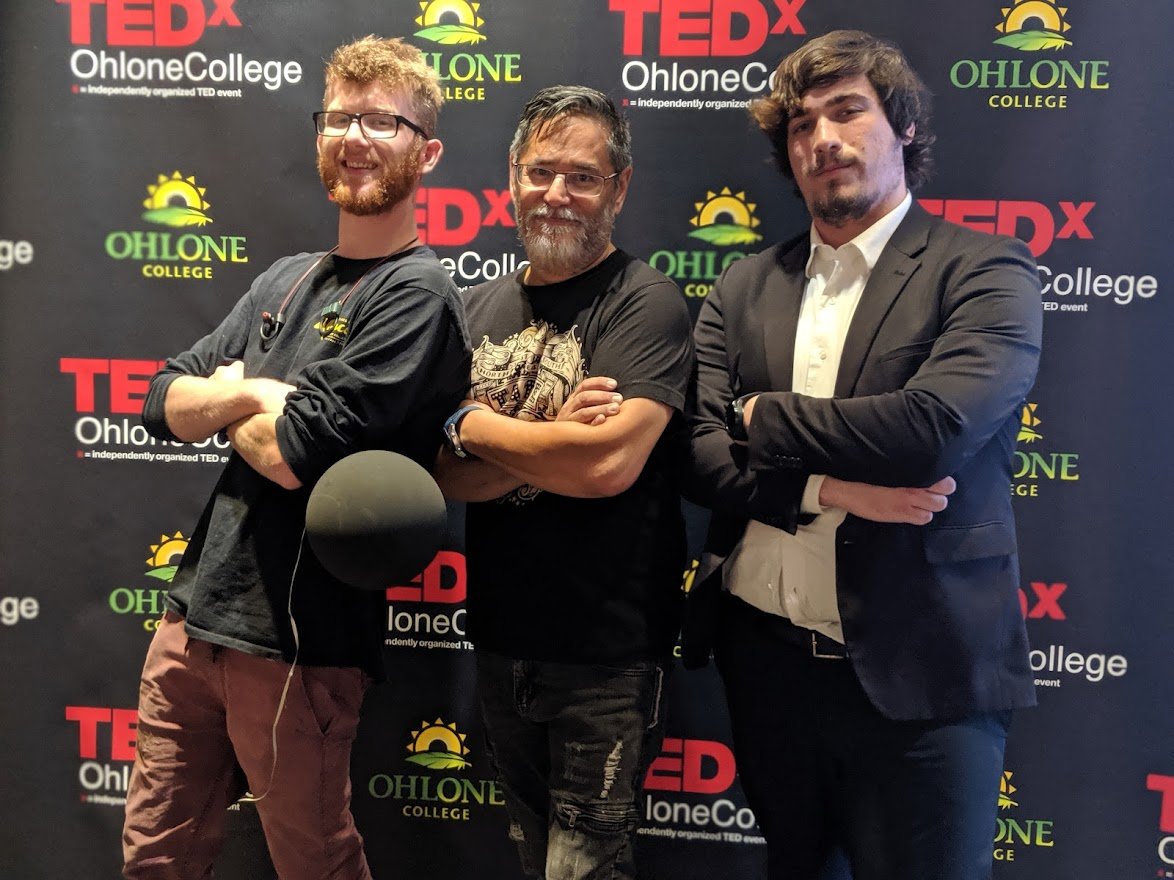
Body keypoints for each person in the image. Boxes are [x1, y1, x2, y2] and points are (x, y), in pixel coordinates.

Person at [683, 30, 1042, 880]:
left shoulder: (985, 270)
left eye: (848, 112)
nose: (822, 141)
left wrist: (761, 417)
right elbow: (696, 452)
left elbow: (930, 430)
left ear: (903, 128)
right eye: (801, 126)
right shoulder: (742, 287)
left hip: (924, 679)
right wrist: (826, 487)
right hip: (767, 668)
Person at [122, 36, 470, 880]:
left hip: (299, 644)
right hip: (191, 619)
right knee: (154, 857)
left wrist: (237, 398)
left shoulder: (418, 295)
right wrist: (250, 395)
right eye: (339, 117)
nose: (354, 137)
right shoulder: (284, 277)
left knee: (315, 863)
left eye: (382, 120)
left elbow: (288, 453)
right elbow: (159, 400)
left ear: (426, 151)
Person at [433, 85, 694, 880]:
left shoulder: (646, 304)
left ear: (618, 188)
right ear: (511, 176)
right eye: (541, 171)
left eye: (582, 176)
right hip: (504, 643)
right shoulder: (474, 309)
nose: (557, 194)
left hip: (606, 660)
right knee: (529, 861)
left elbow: (605, 465)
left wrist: (474, 422)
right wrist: (550, 432)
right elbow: (447, 478)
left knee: (584, 872)